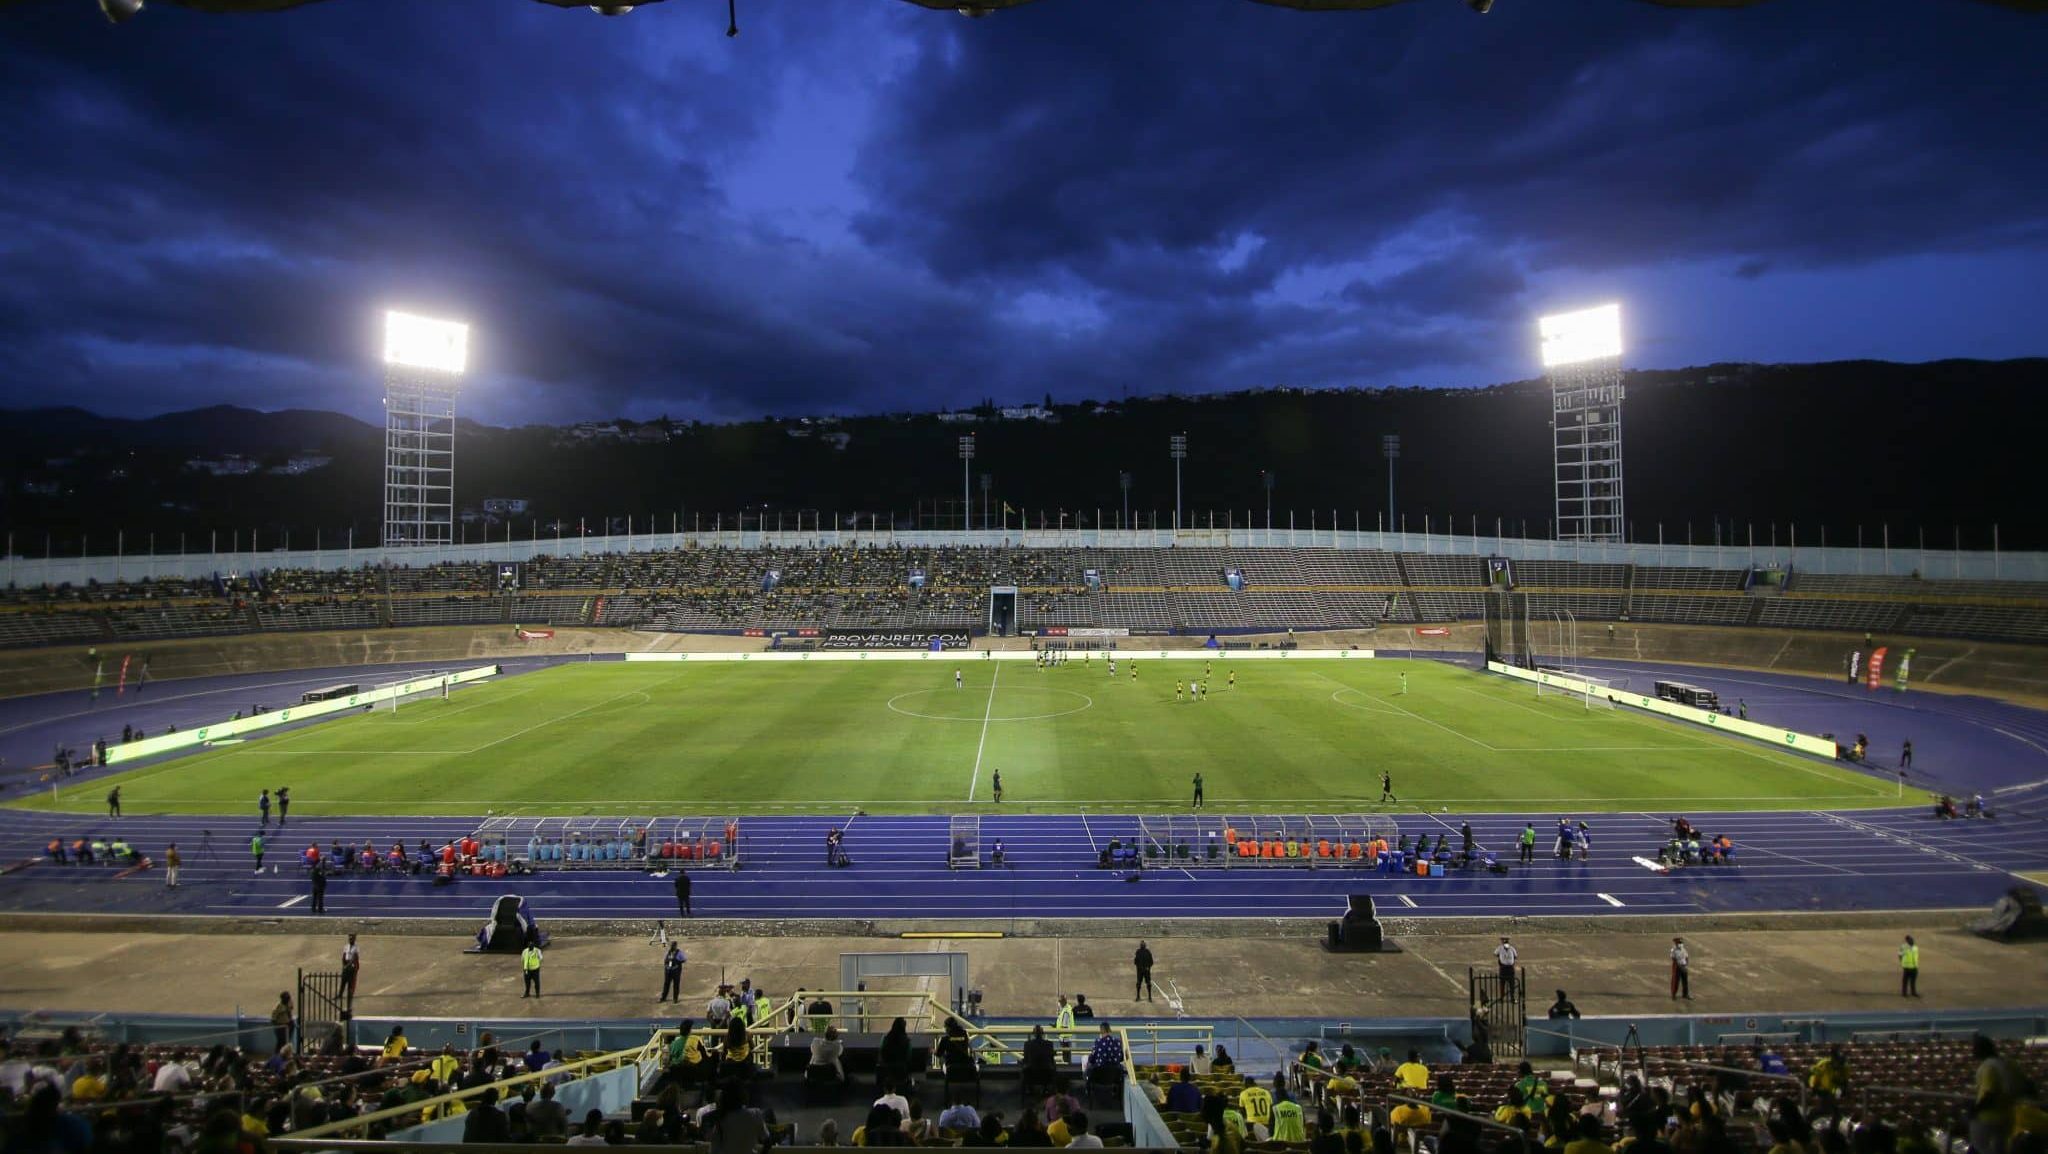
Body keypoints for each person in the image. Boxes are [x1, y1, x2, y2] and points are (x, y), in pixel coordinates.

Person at [1970, 1034, 2022, 1154]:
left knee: (1982, 1149)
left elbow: (1989, 1093)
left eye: (1975, 1048)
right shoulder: (2010, 1064)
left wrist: (1975, 1110)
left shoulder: (1988, 1066)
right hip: (2008, 1116)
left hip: (1987, 1117)